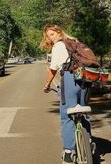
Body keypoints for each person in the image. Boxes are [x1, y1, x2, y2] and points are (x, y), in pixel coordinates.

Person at [40, 24, 91, 164]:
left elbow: (53, 69)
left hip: (69, 79)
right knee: (83, 112)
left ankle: (69, 152)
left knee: (68, 116)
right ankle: (90, 142)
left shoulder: (58, 46)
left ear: (59, 33)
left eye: (52, 34)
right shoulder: (75, 43)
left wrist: (47, 85)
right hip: (85, 80)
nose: (51, 38)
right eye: (48, 36)